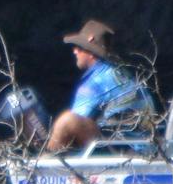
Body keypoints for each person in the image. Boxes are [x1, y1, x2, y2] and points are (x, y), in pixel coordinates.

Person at [45, 19, 149, 154]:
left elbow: (74, 125)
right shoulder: (122, 72)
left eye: (79, 47)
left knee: (66, 122)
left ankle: (44, 165)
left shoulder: (97, 82)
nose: (74, 51)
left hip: (125, 153)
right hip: (146, 148)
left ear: (91, 52)